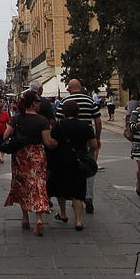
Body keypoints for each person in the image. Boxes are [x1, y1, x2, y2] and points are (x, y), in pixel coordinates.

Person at [3, 91, 51, 236]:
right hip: (36, 154)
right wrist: (55, 143)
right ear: (33, 103)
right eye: (38, 101)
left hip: (20, 155)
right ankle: (39, 218)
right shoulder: (42, 120)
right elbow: (47, 141)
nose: (40, 104)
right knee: (38, 185)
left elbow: (5, 135)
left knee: (22, 184)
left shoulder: (17, 118)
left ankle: (25, 218)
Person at [47, 100, 96, 231]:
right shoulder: (85, 126)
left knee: (61, 187)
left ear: (64, 112)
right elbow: (94, 145)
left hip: (61, 158)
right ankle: (78, 221)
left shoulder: (59, 125)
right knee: (79, 189)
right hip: (79, 159)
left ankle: (63, 214)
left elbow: (52, 142)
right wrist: (86, 152)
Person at [56, 79, 101, 213]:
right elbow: (97, 121)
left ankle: (76, 198)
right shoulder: (90, 101)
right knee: (89, 167)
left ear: (69, 89)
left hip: (69, 143)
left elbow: (58, 121)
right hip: (87, 139)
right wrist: (97, 137)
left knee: (72, 170)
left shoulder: (64, 101)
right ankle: (88, 196)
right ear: (80, 88)